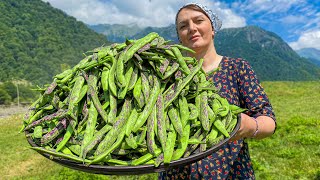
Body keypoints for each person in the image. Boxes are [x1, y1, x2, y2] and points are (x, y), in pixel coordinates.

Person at [159, 3, 276, 179]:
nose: (192, 28)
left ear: (212, 29)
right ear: (179, 37)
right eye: (183, 26)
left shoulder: (237, 68)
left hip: (229, 173)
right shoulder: (169, 75)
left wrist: (251, 126)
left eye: (198, 20)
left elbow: (268, 119)